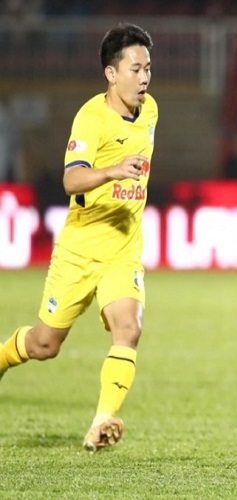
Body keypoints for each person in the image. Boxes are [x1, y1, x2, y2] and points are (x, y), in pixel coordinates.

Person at [0, 23, 157, 453]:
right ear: (111, 73)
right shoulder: (91, 118)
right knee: (44, 344)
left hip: (123, 249)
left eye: (148, 68)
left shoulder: (150, 110)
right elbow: (71, 180)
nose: (144, 78)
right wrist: (112, 171)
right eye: (135, 69)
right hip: (80, 251)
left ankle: (101, 422)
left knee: (129, 328)